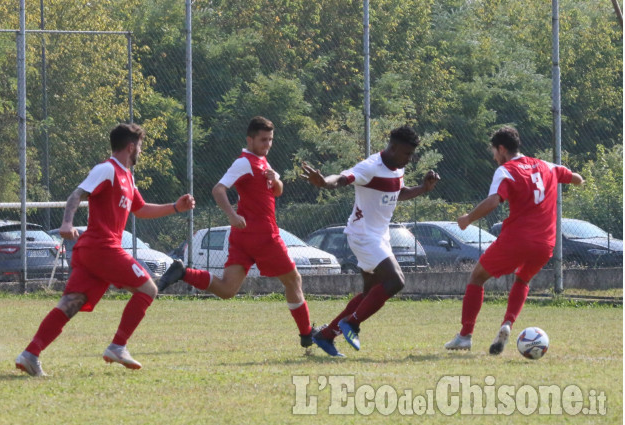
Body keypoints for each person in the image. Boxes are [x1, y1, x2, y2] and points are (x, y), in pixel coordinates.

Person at [15, 123, 196, 376]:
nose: (140, 152)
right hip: (102, 247)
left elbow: (140, 209)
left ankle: (30, 354)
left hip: (94, 253)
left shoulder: (127, 176)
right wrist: (66, 222)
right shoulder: (106, 169)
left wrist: (175, 207)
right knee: (148, 289)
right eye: (140, 147)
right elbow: (76, 194)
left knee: (71, 303)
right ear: (131, 147)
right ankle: (118, 346)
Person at [158, 116, 315, 349]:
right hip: (263, 236)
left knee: (227, 289)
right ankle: (307, 335)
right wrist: (231, 214)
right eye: (263, 140)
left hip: (243, 237)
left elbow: (277, 192)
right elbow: (218, 189)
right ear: (249, 139)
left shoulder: (263, 161)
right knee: (294, 280)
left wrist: (276, 180)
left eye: (270, 140)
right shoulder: (244, 162)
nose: (267, 144)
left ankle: (183, 272)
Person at [301, 125, 440, 356]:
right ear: (393, 147)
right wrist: (325, 182)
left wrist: (424, 188)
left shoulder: (396, 168)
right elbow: (343, 178)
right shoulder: (370, 167)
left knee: (369, 295)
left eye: (411, 154)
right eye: (406, 154)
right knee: (396, 281)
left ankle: (325, 336)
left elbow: (398, 193)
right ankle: (351, 323)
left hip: (379, 236)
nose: (409, 159)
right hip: (363, 236)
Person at [444, 126, 584, 354]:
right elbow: (574, 177)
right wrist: (579, 181)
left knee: (477, 277)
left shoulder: (507, 170)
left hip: (517, 240)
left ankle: (465, 336)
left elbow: (493, 201)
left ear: (501, 149)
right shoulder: (547, 166)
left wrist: (468, 218)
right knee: (523, 280)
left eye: (494, 152)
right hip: (545, 244)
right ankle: (508, 323)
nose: (493, 157)